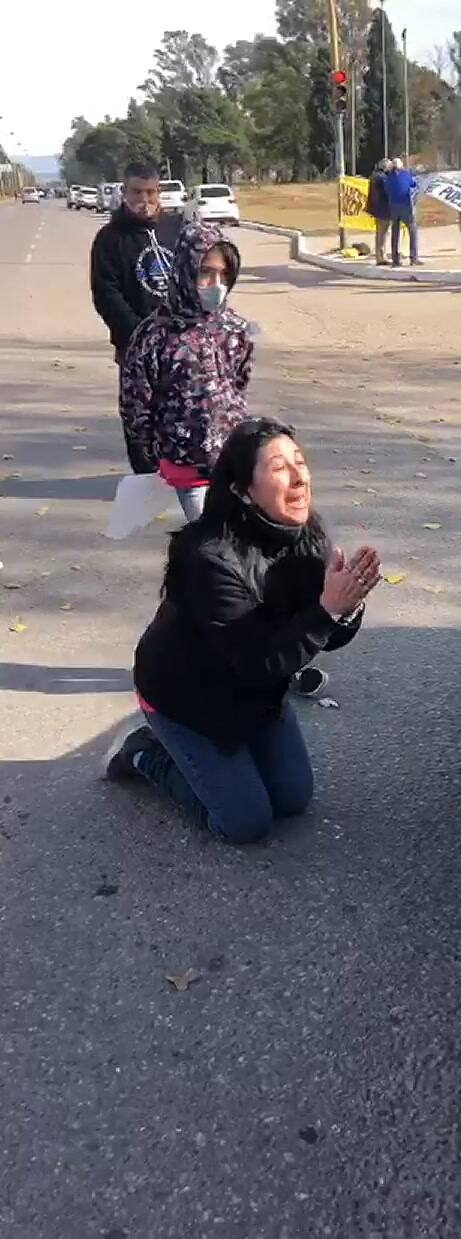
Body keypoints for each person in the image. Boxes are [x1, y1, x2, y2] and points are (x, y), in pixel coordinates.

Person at [104, 418, 382, 844]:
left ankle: (221, 762)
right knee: (244, 823)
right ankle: (147, 753)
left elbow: (318, 637)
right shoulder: (209, 559)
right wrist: (328, 610)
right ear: (242, 490)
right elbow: (258, 661)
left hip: (256, 693)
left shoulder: (308, 536)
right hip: (187, 699)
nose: (299, 476)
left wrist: (347, 605)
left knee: (292, 799)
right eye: (278, 468)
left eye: (300, 462)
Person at [119, 222, 254, 522]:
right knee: (213, 543)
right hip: (187, 469)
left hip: (233, 464)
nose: (215, 283)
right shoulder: (154, 335)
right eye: (205, 272)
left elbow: (239, 385)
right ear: (184, 270)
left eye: (223, 274)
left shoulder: (235, 330)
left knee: (240, 546)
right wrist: (160, 452)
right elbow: (135, 404)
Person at [90, 161, 183, 471]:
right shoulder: (109, 238)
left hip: (181, 344)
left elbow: (197, 277)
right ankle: (146, 477)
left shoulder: (177, 229)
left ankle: (183, 472)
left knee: (184, 411)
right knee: (140, 416)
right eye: (137, 192)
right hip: (135, 347)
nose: (145, 199)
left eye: (151, 192)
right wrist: (139, 336)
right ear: (124, 192)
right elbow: (106, 294)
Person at [384, 158, 422, 268]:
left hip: (393, 207)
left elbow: (386, 190)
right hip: (405, 206)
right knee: (412, 230)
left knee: (395, 233)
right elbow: (413, 184)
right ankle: (413, 258)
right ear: (401, 166)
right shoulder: (406, 174)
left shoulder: (389, 178)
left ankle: (395, 260)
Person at [367, 158, 392, 266]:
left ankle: (379, 255)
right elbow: (387, 192)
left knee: (379, 233)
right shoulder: (383, 178)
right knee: (383, 233)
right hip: (383, 209)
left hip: (376, 208)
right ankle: (381, 257)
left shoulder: (374, 176)